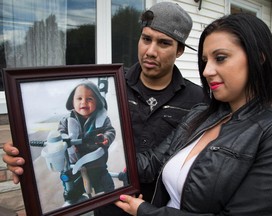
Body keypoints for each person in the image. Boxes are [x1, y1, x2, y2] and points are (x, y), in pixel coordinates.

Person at [3, 2, 209, 215]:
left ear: (180, 51)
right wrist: (22, 155)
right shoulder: (112, 86)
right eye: (146, 39)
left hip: (159, 209)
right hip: (108, 205)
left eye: (164, 43)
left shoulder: (198, 100)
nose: (151, 51)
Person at [115, 13, 272, 216]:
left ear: (258, 58)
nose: (206, 71)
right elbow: (153, 162)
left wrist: (145, 211)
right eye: (205, 61)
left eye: (220, 58)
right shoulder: (201, 114)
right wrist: (96, 157)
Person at [57, 79, 116, 205]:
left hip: (96, 164)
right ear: (72, 102)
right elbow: (60, 132)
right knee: (71, 190)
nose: (84, 102)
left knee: (107, 187)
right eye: (79, 98)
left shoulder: (102, 119)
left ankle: (109, 202)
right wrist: (64, 138)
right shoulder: (66, 120)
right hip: (74, 165)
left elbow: (110, 130)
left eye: (89, 99)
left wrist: (106, 138)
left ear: (98, 102)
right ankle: (74, 201)